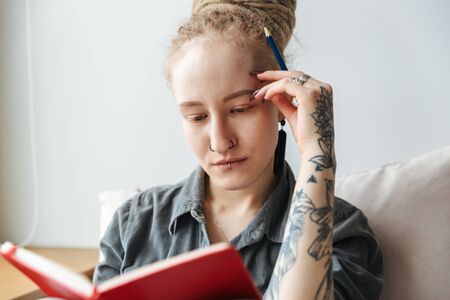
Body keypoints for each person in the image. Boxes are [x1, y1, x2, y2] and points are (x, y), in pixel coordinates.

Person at [93, 0, 384, 299]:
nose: (220, 142)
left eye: (241, 109)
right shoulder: (135, 223)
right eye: (197, 117)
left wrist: (317, 154)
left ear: (281, 101)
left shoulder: (340, 234)